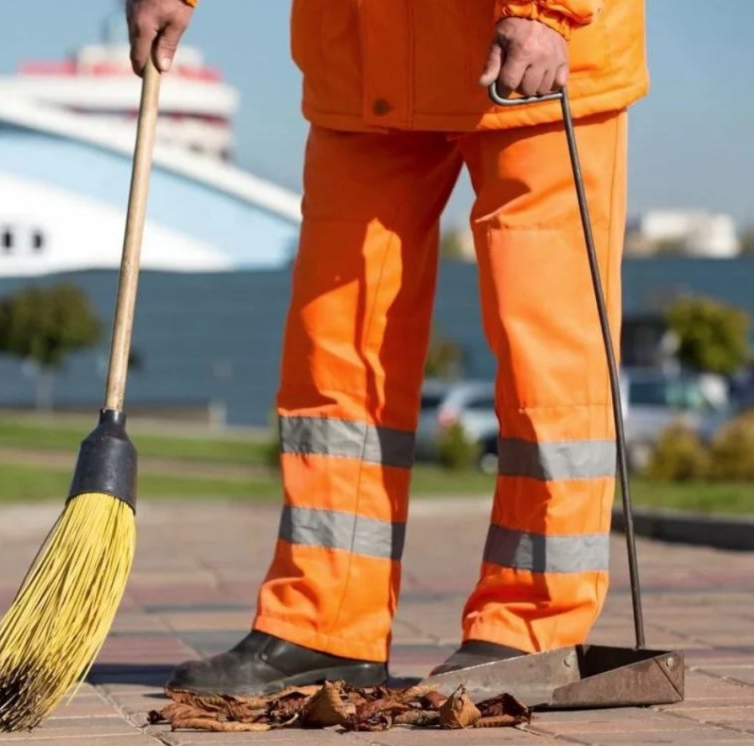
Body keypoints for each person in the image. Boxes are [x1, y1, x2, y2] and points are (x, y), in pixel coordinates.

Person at [126, 0, 648, 694]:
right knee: (336, 349)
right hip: (364, 57)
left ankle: (532, 623)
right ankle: (324, 622)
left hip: (531, 48)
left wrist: (546, 10)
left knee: (546, 354)